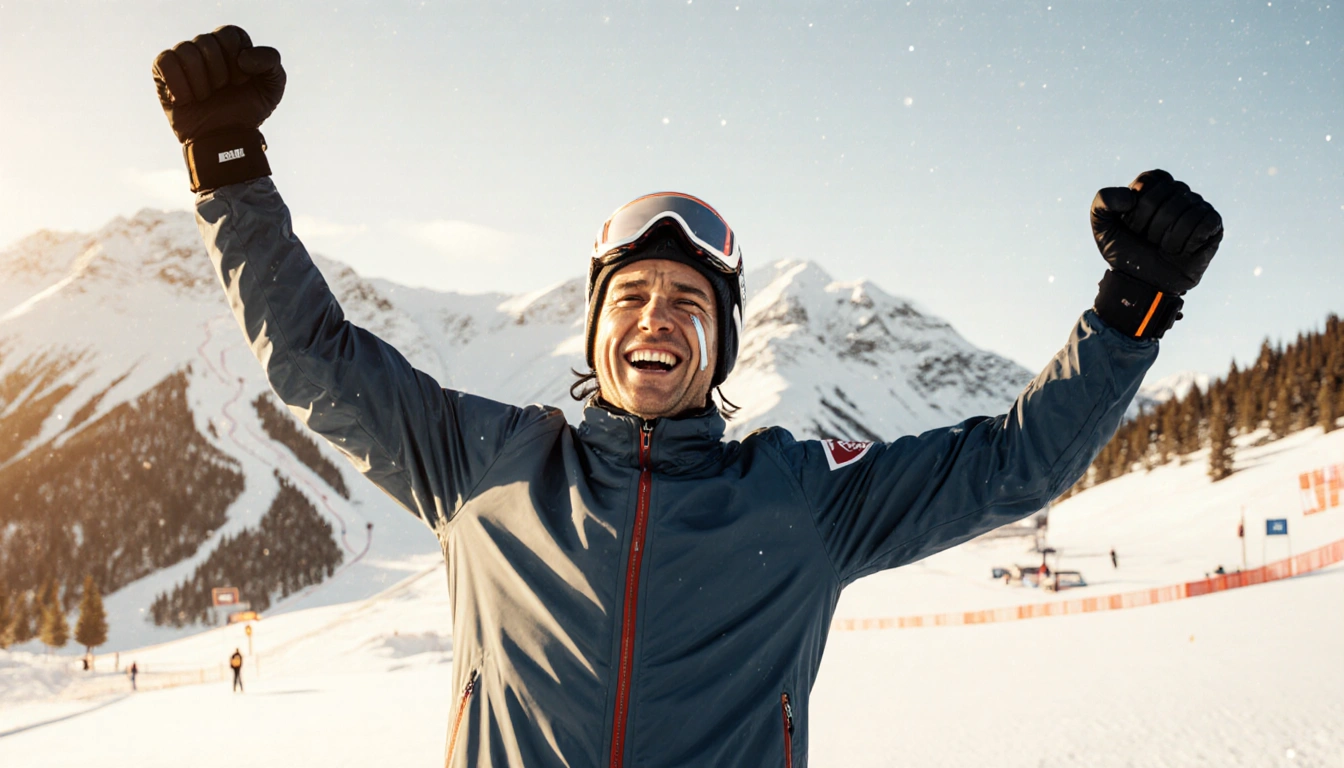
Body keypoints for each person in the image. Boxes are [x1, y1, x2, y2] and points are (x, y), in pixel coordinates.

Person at [151, 26, 1223, 768]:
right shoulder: (484, 465)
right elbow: (313, 358)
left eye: (686, 302)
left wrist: (1132, 309)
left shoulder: (803, 500)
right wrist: (228, 166)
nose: (655, 318)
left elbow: (1014, 464)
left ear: (721, 344)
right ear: (596, 330)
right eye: (630, 297)